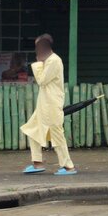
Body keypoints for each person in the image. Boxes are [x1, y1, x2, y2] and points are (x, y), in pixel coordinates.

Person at [20, 34, 76, 175]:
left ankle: (68, 166)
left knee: (57, 134)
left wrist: (38, 64)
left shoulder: (54, 61)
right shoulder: (49, 61)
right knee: (33, 130)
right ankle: (37, 163)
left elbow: (42, 80)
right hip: (44, 103)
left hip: (52, 103)